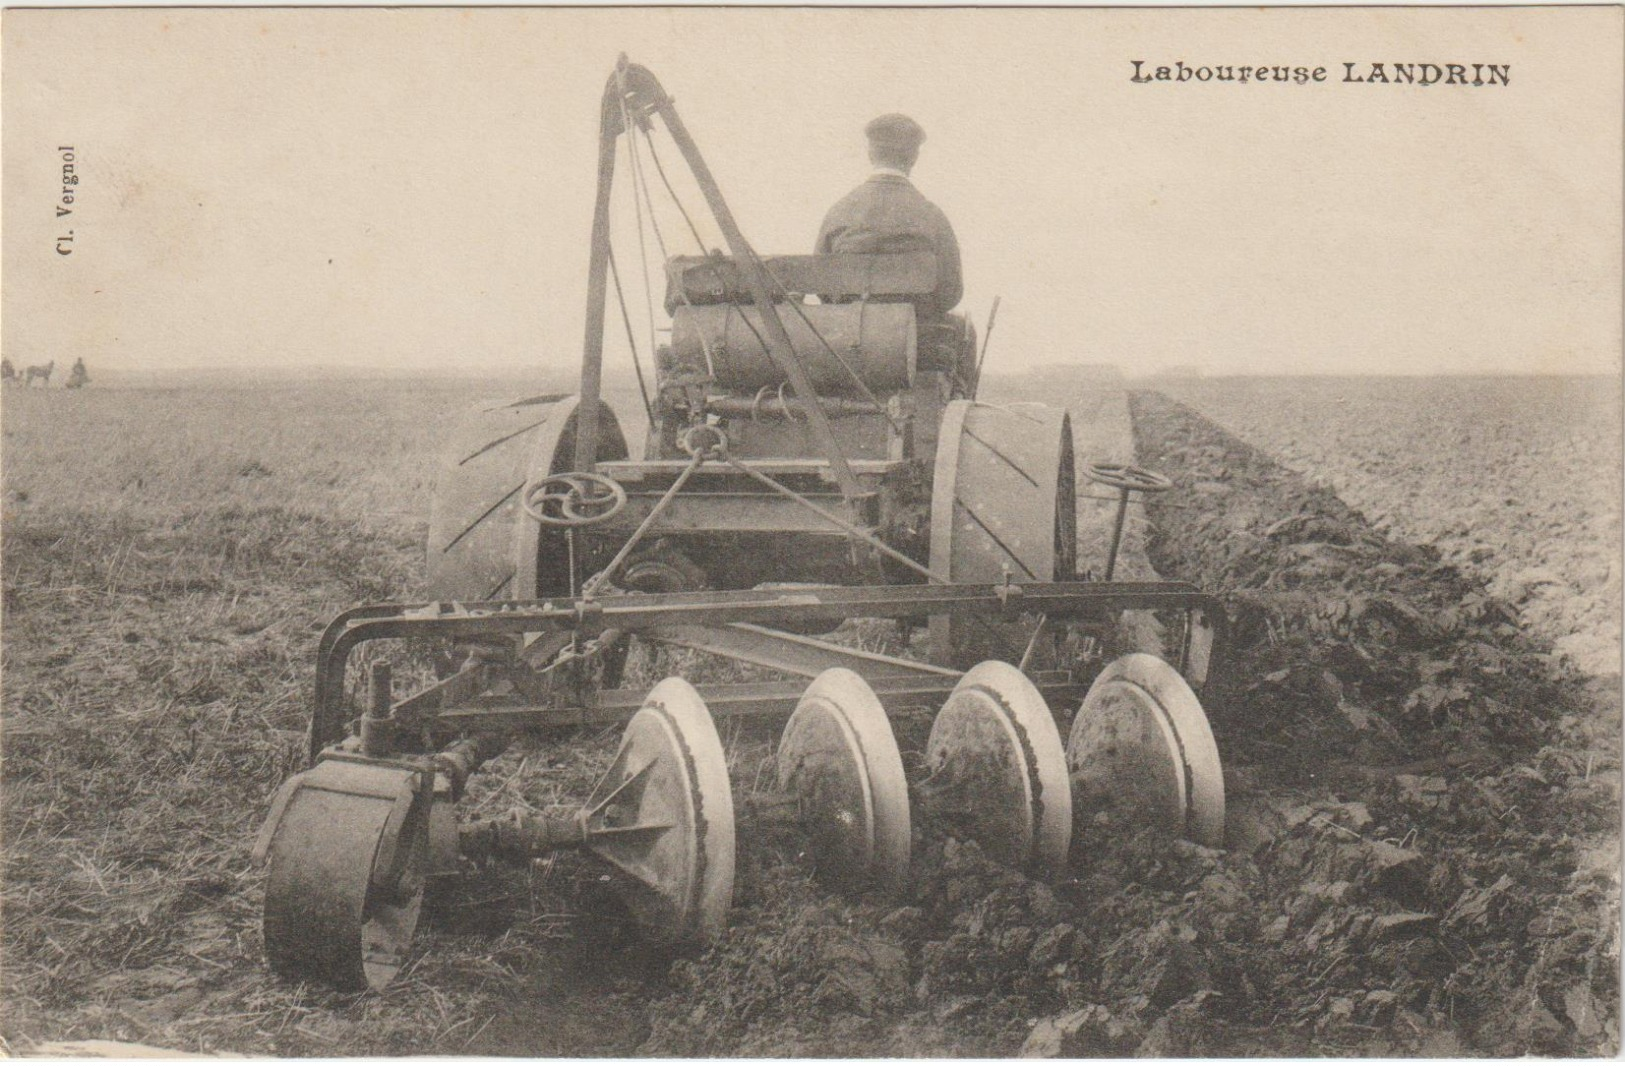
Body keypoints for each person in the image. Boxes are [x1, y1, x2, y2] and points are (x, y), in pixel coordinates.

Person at [815, 114, 963, 319]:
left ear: (871, 154)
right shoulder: (932, 216)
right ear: (914, 157)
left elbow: (821, 284)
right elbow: (950, 293)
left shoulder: (839, 212)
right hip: (917, 339)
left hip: (848, 339)